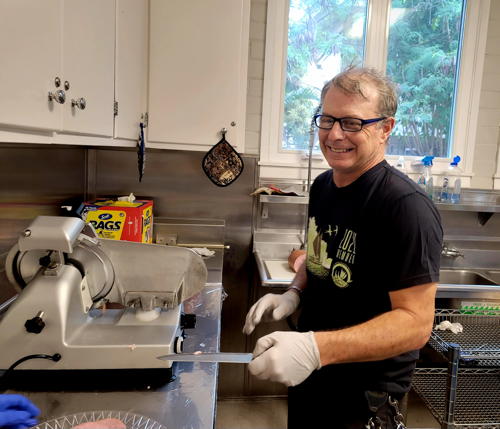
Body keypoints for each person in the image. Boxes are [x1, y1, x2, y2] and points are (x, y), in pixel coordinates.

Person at [243, 67, 443, 429]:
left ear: (386, 128)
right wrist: (293, 293)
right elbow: (320, 255)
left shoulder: (405, 206)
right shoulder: (323, 186)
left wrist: (315, 349)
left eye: (352, 123)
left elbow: (415, 324)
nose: (335, 134)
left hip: (366, 397)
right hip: (311, 374)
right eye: (327, 119)